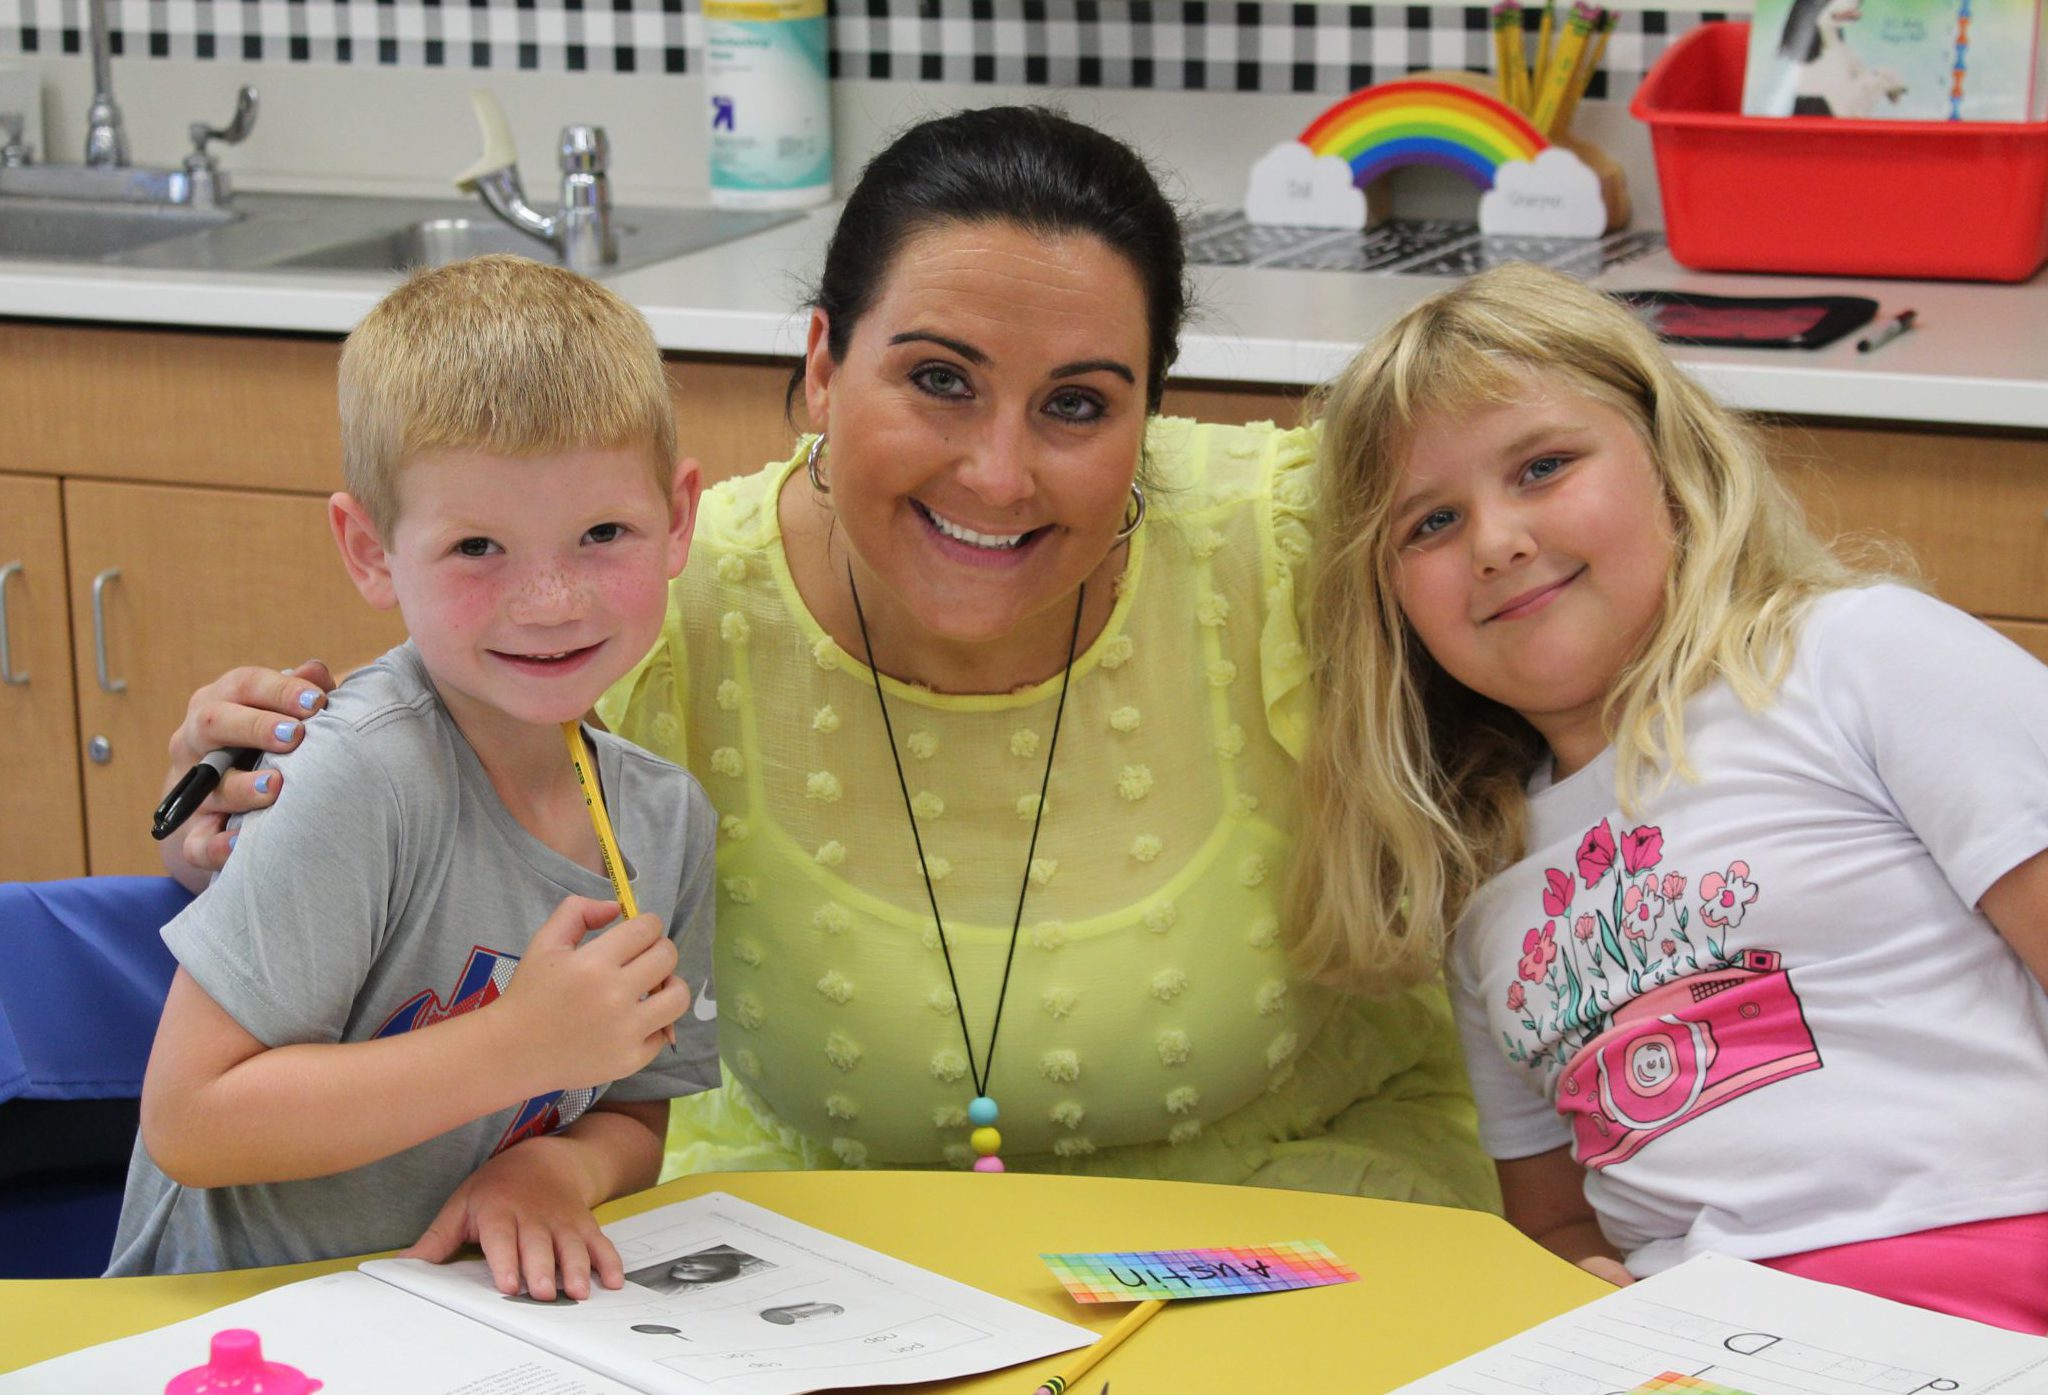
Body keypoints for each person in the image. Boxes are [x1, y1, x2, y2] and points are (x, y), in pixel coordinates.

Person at [159, 107, 1495, 1208]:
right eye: (939, 379)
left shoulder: (1297, 540)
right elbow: (412, 849)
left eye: (1080, 403)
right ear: (819, 366)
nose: (1000, 469)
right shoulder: (643, 604)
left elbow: (1617, 634)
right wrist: (240, 807)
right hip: (827, 1253)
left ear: (1155, 406)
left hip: (1310, 1216)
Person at [1292, 262, 2048, 1328]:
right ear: (1389, 605)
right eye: (1429, 525)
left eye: (1542, 466)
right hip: (1708, 1338)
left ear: (1667, 458)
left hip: (2001, 1287)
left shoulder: (1853, 657)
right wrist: (1584, 1288)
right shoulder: (1485, 894)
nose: (1497, 542)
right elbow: (1556, 1223)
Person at [110, 256, 720, 1301]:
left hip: (470, 1329)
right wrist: (521, 1045)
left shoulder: (665, 821)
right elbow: (190, 1120)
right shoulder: (363, 775)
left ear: (677, 518)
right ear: (368, 550)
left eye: (602, 533)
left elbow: (632, 1110)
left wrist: (553, 1166)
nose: (549, 600)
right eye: (476, 545)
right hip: (236, 1334)